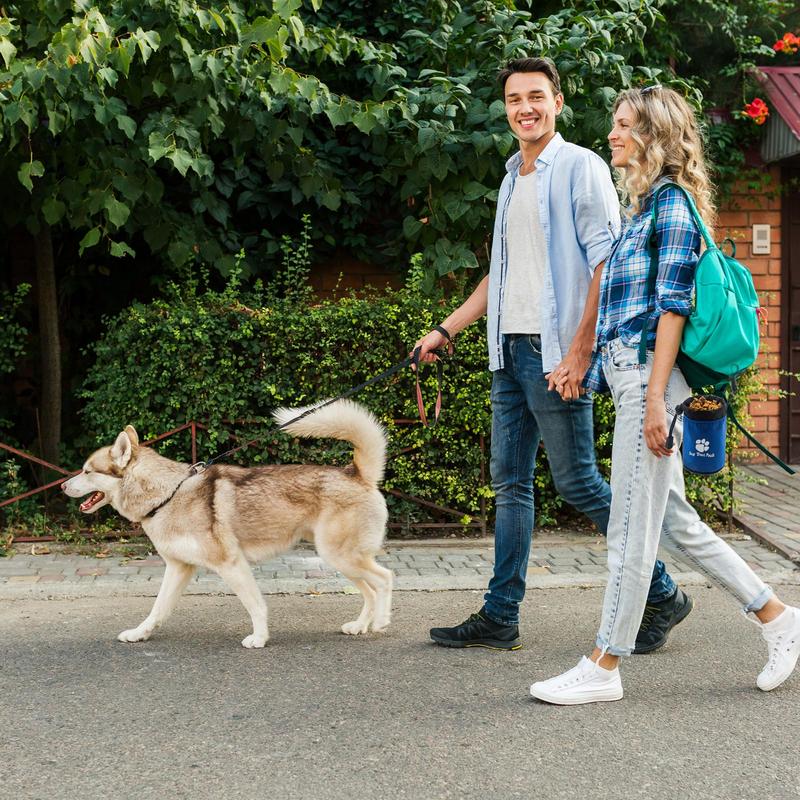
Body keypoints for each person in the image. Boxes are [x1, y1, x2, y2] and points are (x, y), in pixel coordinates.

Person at [529, 85, 800, 705]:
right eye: (615, 124)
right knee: (674, 522)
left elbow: (673, 309)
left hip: (651, 381)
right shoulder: (646, 208)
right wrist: (588, 364)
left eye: (625, 125)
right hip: (634, 377)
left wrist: (654, 399)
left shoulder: (672, 205)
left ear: (654, 134)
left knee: (629, 528)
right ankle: (778, 616)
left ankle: (604, 663)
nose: (613, 134)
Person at [413, 58, 690, 653]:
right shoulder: (511, 178)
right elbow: (502, 273)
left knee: (578, 482)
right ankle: (500, 615)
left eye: (536, 96)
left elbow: (607, 262)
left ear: (557, 102)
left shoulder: (580, 167)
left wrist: (579, 352)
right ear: (505, 109)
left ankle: (662, 592)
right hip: (508, 351)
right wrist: (446, 328)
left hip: (555, 351)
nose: (525, 108)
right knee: (510, 484)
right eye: (515, 99)